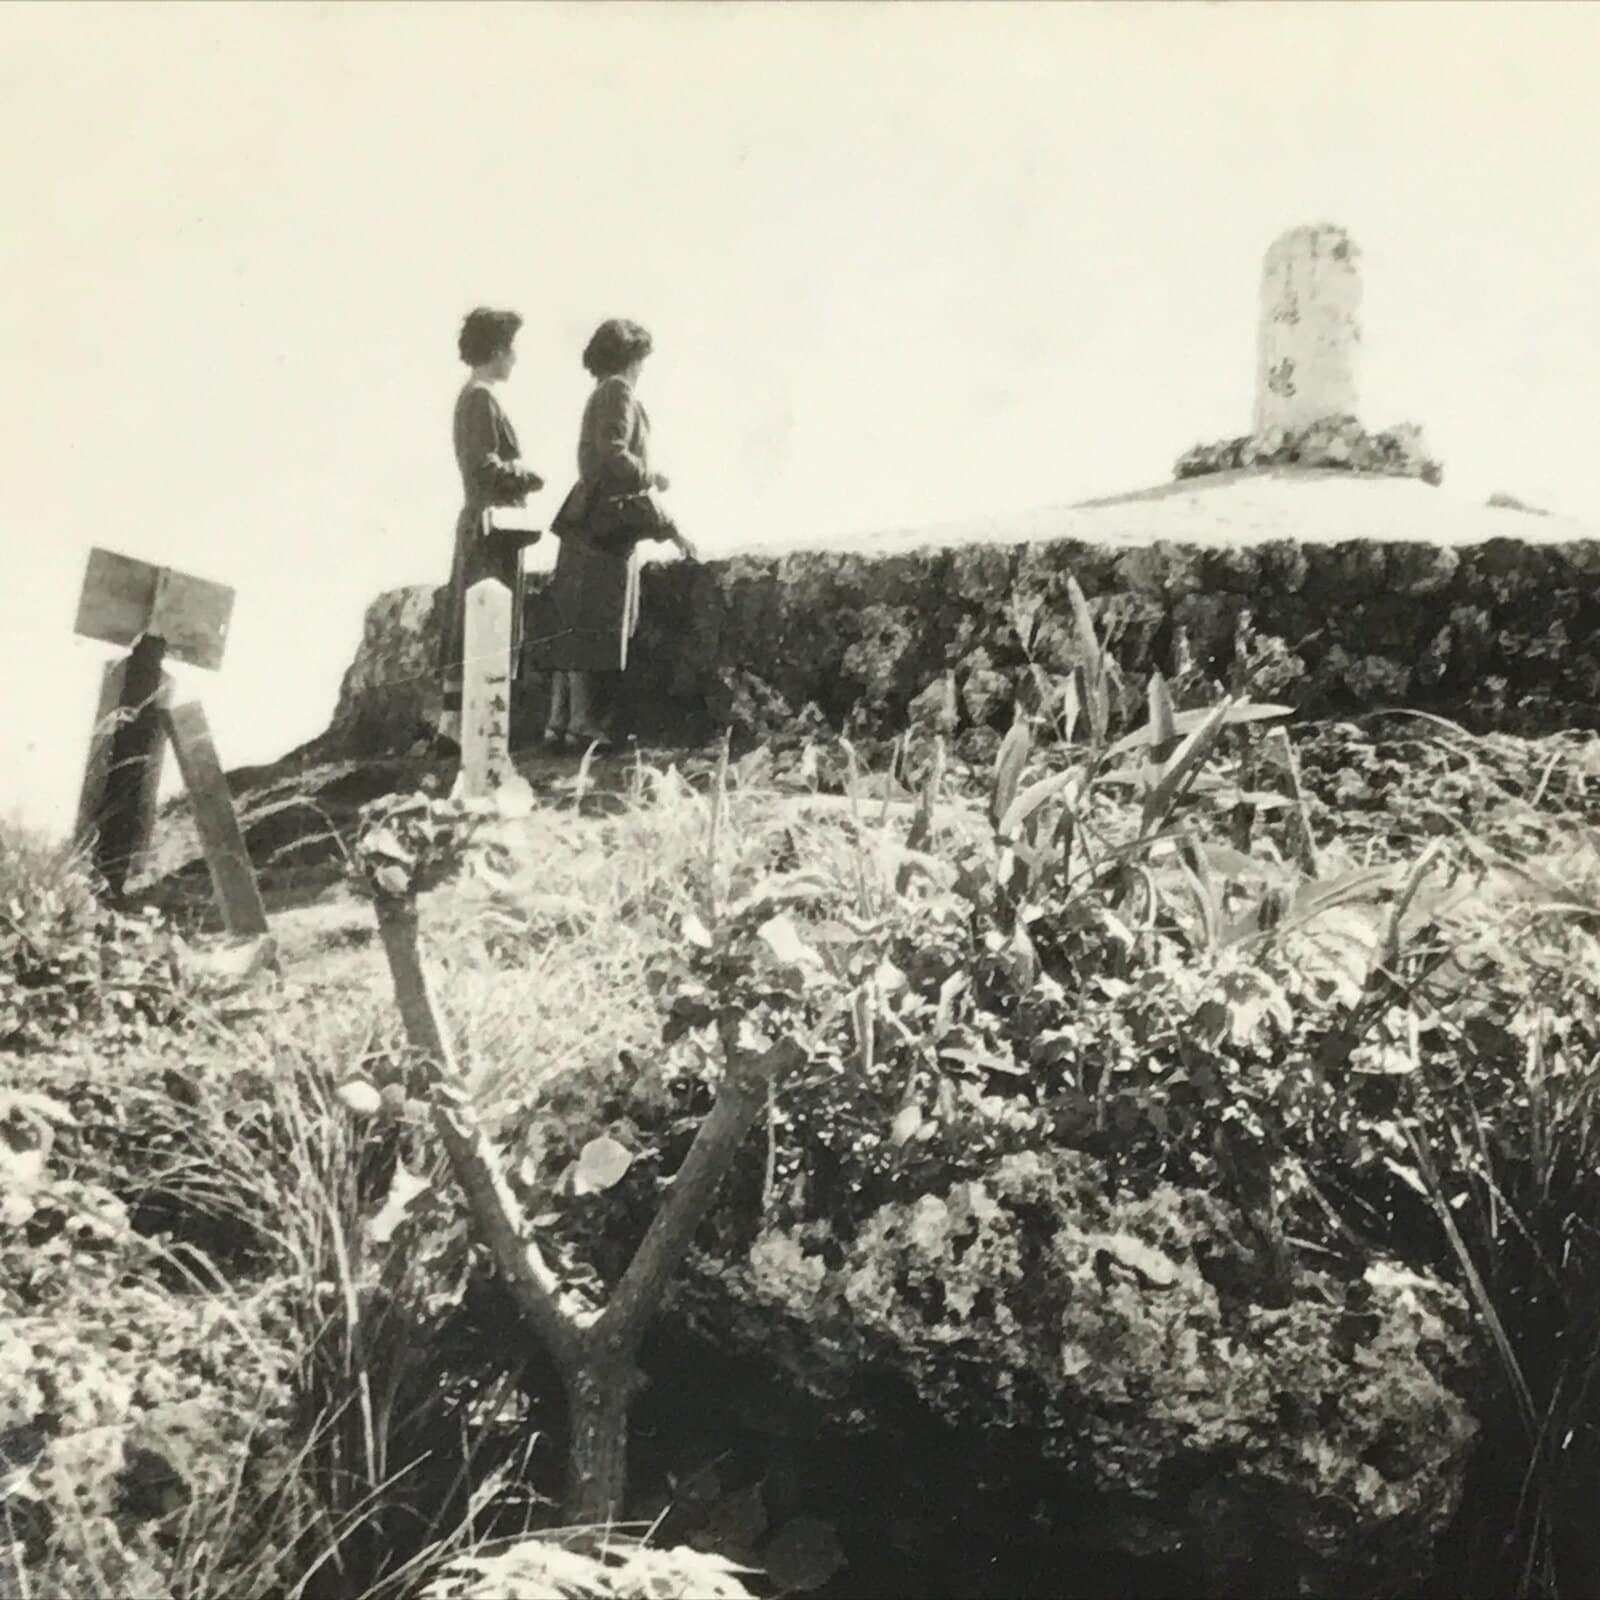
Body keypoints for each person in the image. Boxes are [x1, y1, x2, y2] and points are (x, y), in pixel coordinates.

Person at [527, 318, 696, 751]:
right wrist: (650, 476)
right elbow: (614, 452)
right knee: (593, 625)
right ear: (632, 358)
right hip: (606, 522)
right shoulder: (619, 391)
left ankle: (559, 722)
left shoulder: (600, 392)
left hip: (585, 518)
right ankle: (582, 723)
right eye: (642, 360)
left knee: (572, 622)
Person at [435, 307, 544, 753]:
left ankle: (454, 723)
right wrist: (526, 475)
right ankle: (465, 727)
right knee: (485, 620)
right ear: (496, 351)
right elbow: (485, 467)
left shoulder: (472, 397)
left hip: (483, 523)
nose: (514, 359)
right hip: (491, 525)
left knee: (471, 619)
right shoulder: (481, 399)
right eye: (511, 350)